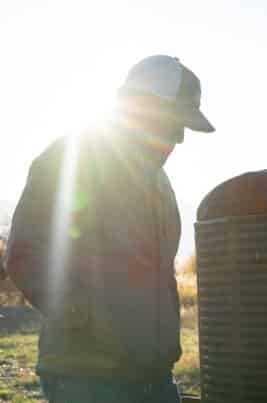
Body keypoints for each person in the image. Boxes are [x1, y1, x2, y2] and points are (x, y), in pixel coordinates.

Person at [5, 55, 214, 403]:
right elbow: (26, 251)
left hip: (155, 378)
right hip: (88, 380)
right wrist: (82, 318)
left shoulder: (160, 184)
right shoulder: (74, 157)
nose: (180, 136)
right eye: (175, 121)